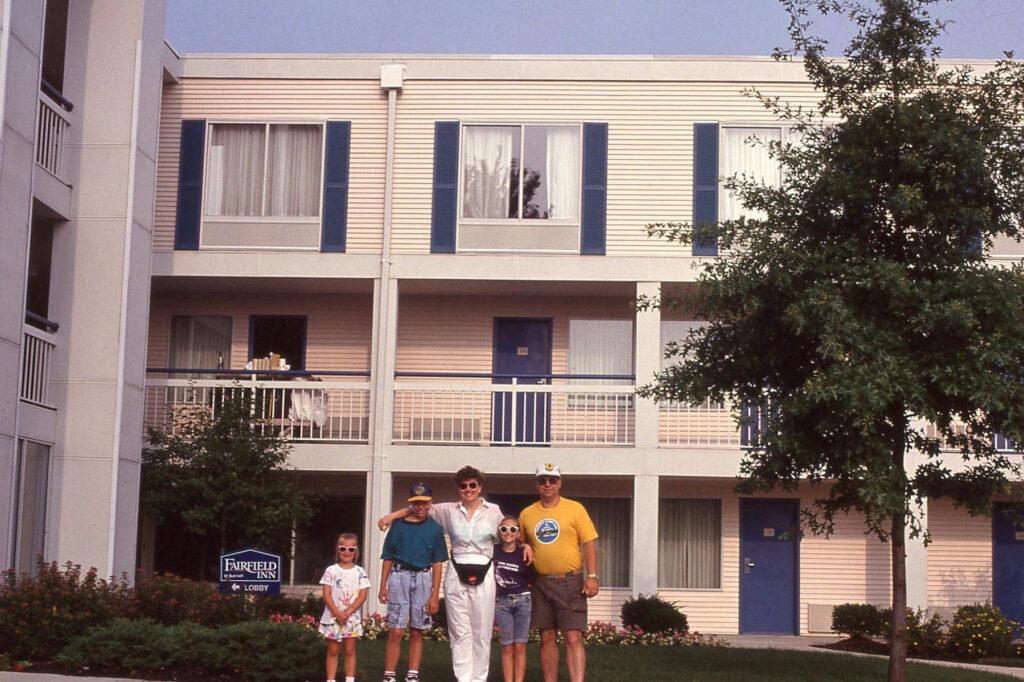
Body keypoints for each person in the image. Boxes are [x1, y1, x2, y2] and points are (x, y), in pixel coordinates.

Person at [378, 466, 526, 682]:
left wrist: (525, 546)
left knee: (482, 629)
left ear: (480, 486)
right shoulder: (448, 510)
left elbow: (509, 532)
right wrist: (391, 517)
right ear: (458, 489)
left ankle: (479, 678)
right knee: (459, 629)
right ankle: (463, 677)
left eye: (472, 485)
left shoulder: (494, 511)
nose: (468, 489)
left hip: (484, 569)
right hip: (456, 571)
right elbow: (419, 507)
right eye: (463, 486)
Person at [519, 463, 599, 682]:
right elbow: (519, 544)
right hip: (540, 583)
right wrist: (523, 546)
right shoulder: (527, 514)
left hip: (569, 581)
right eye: (543, 480)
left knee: (573, 636)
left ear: (559, 483)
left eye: (552, 480)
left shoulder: (575, 509)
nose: (547, 484)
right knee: (547, 637)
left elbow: (589, 543)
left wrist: (592, 576)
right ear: (536, 484)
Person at [379, 483, 448, 682]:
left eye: (424, 503)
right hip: (399, 576)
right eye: (416, 503)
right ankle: (389, 674)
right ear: (410, 504)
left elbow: (437, 563)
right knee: (396, 629)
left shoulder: (434, 529)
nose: (420, 507)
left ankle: (412, 673)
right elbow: (388, 557)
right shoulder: (398, 526)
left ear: (430, 503)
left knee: (417, 630)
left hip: (424, 578)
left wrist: (435, 594)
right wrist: (383, 585)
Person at [319, 532, 371, 682]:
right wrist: (337, 612)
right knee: (333, 650)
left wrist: (347, 612)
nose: (347, 552)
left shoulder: (360, 572)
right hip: (332, 617)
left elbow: (362, 595)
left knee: (349, 650)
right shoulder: (331, 570)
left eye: (351, 549)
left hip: (351, 618)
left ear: (356, 551)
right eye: (343, 549)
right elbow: (327, 594)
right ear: (337, 550)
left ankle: (350, 679)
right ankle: (331, 679)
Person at [493, 516, 536, 682]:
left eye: (513, 529)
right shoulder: (494, 551)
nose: (508, 532)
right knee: (507, 646)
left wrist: (526, 546)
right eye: (504, 529)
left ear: (518, 534)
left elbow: (531, 579)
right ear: (499, 532)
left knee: (519, 646)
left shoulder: (524, 553)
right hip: (502, 602)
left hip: (522, 601)